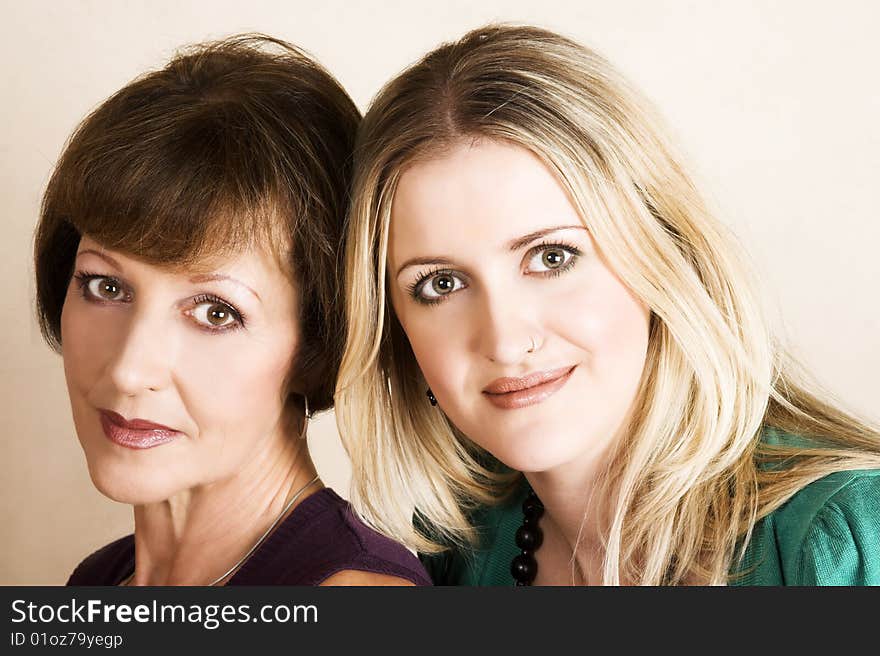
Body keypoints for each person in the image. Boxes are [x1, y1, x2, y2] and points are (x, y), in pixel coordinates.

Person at [335, 24, 880, 585]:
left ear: (663, 251)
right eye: (441, 284)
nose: (504, 340)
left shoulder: (848, 538)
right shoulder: (453, 557)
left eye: (551, 258)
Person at [34, 35, 430, 587]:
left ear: (319, 339)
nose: (129, 369)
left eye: (216, 313)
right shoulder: (100, 581)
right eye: (104, 286)